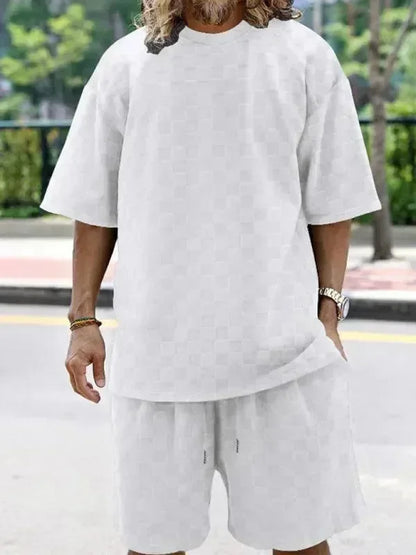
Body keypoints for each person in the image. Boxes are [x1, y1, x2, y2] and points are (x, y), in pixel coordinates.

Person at [39, 0, 382, 554]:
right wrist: (83, 321)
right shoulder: (125, 64)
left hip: (283, 358)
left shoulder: (304, 57)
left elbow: (332, 198)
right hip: (158, 364)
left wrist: (328, 312)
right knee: (153, 546)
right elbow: (95, 206)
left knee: (300, 541)